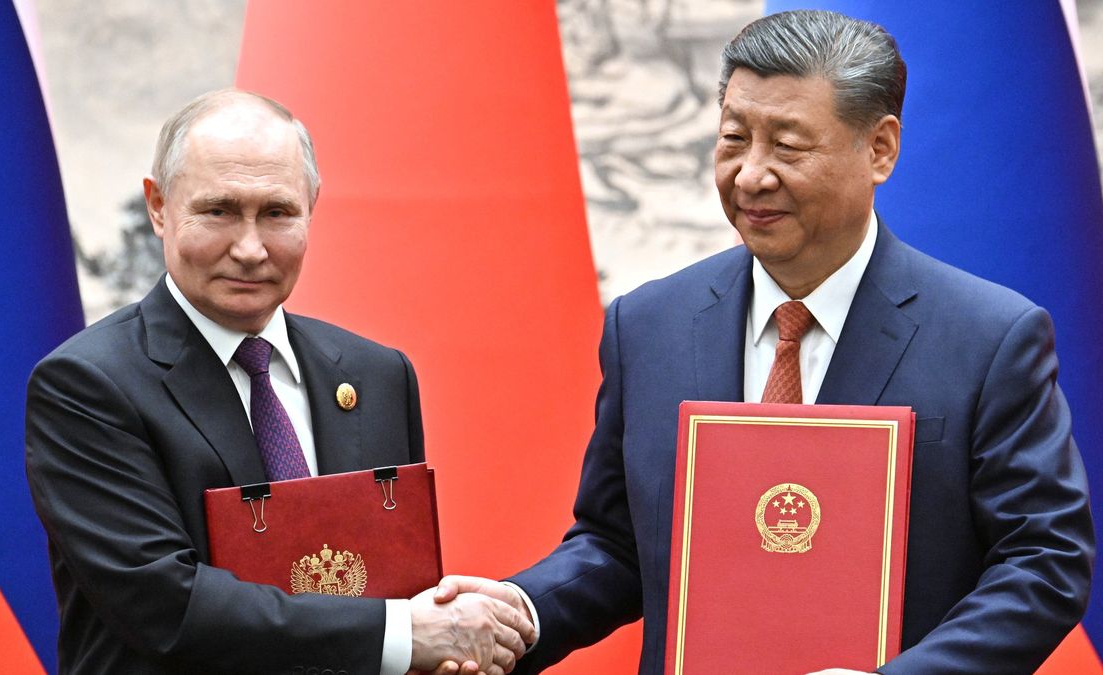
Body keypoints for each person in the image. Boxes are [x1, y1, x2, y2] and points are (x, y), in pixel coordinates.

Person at [434, 9, 1094, 674]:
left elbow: (1044, 560)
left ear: (880, 149)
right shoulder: (651, 325)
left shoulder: (987, 338)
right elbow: (618, 542)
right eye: (733, 139)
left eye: (788, 146)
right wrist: (521, 609)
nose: (751, 175)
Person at [25, 89, 534, 675]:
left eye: (277, 213)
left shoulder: (377, 375)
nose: (250, 248)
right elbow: (165, 604)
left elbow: (398, 579)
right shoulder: (87, 385)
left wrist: (443, 641)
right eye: (218, 211)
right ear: (159, 206)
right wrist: (405, 636)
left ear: (311, 206)